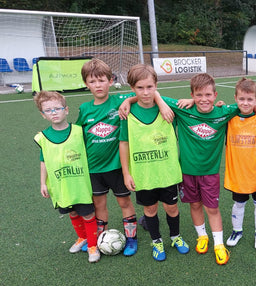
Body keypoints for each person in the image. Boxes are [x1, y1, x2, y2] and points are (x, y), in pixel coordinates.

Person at [123, 73, 256, 265]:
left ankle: (219, 244)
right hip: (187, 172)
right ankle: (202, 236)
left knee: (212, 208)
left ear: (215, 95)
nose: (204, 99)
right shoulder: (183, 109)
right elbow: (149, 93)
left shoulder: (224, 112)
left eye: (208, 95)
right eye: (199, 95)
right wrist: (138, 100)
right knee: (194, 205)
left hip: (210, 173)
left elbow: (247, 104)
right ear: (192, 95)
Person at [77, 59, 173, 257]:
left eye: (102, 80)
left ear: (110, 81)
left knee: (124, 203)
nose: (98, 85)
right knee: (99, 205)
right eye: (92, 81)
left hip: (118, 167)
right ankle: (99, 239)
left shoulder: (120, 100)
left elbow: (147, 91)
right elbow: (78, 136)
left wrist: (158, 103)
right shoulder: (84, 109)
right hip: (94, 168)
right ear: (86, 84)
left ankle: (131, 239)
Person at [118, 64, 189, 262]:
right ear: (132, 88)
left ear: (156, 85)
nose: (145, 92)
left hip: (167, 172)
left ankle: (175, 236)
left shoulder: (167, 106)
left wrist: (163, 101)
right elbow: (124, 143)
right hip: (144, 174)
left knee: (172, 208)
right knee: (150, 210)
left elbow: (195, 103)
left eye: (150, 87)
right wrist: (126, 173)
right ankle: (157, 241)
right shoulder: (127, 112)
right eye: (140, 88)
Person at [34, 91, 100, 263]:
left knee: (87, 214)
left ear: (66, 110)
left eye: (57, 108)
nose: (54, 112)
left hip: (81, 184)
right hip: (61, 184)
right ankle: (82, 237)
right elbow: (43, 161)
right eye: (48, 110)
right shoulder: (43, 137)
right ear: (43, 115)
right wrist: (43, 183)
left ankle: (93, 246)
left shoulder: (79, 131)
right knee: (72, 212)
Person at [224, 78, 256, 250]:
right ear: (235, 98)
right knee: (238, 204)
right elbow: (211, 112)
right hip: (238, 175)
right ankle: (237, 231)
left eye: (250, 99)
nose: (245, 103)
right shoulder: (229, 119)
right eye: (241, 99)